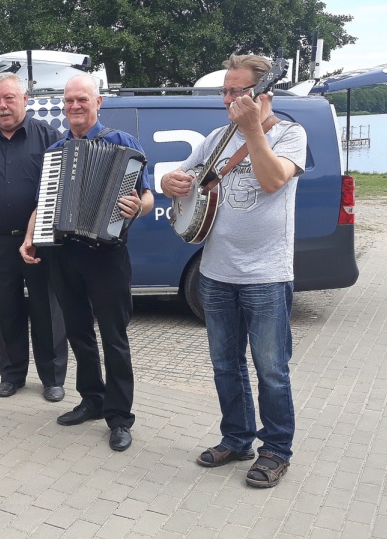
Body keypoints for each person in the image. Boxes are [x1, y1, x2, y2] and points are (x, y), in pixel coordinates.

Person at [160, 54, 307, 487]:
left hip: (266, 274)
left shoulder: (290, 134)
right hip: (217, 272)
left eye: (236, 90)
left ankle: (276, 450)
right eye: (225, 91)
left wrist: (251, 132)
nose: (227, 98)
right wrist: (171, 181)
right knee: (225, 365)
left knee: (271, 369)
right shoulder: (216, 138)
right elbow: (181, 176)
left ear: (263, 92)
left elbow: (273, 180)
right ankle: (237, 437)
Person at [19, 74, 154, 452]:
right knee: (78, 331)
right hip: (63, 254)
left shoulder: (121, 143)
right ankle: (92, 399)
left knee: (114, 335)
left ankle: (120, 416)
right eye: (69, 101)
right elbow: (42, 206)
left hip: (107, 255)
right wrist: (31, 237)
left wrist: (136, 208)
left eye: (82, 99)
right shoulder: (55, 152)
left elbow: (148, 197)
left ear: (98, 103)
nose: (74, 106)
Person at [0, 72, 69, 401]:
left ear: (25, 100)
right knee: (7, 310)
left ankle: (52, 378)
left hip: (41, 243)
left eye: (9, 98)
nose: (2, 106)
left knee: (47, 310)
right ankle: (12, 374)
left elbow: (60, 190)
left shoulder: (48, 137)